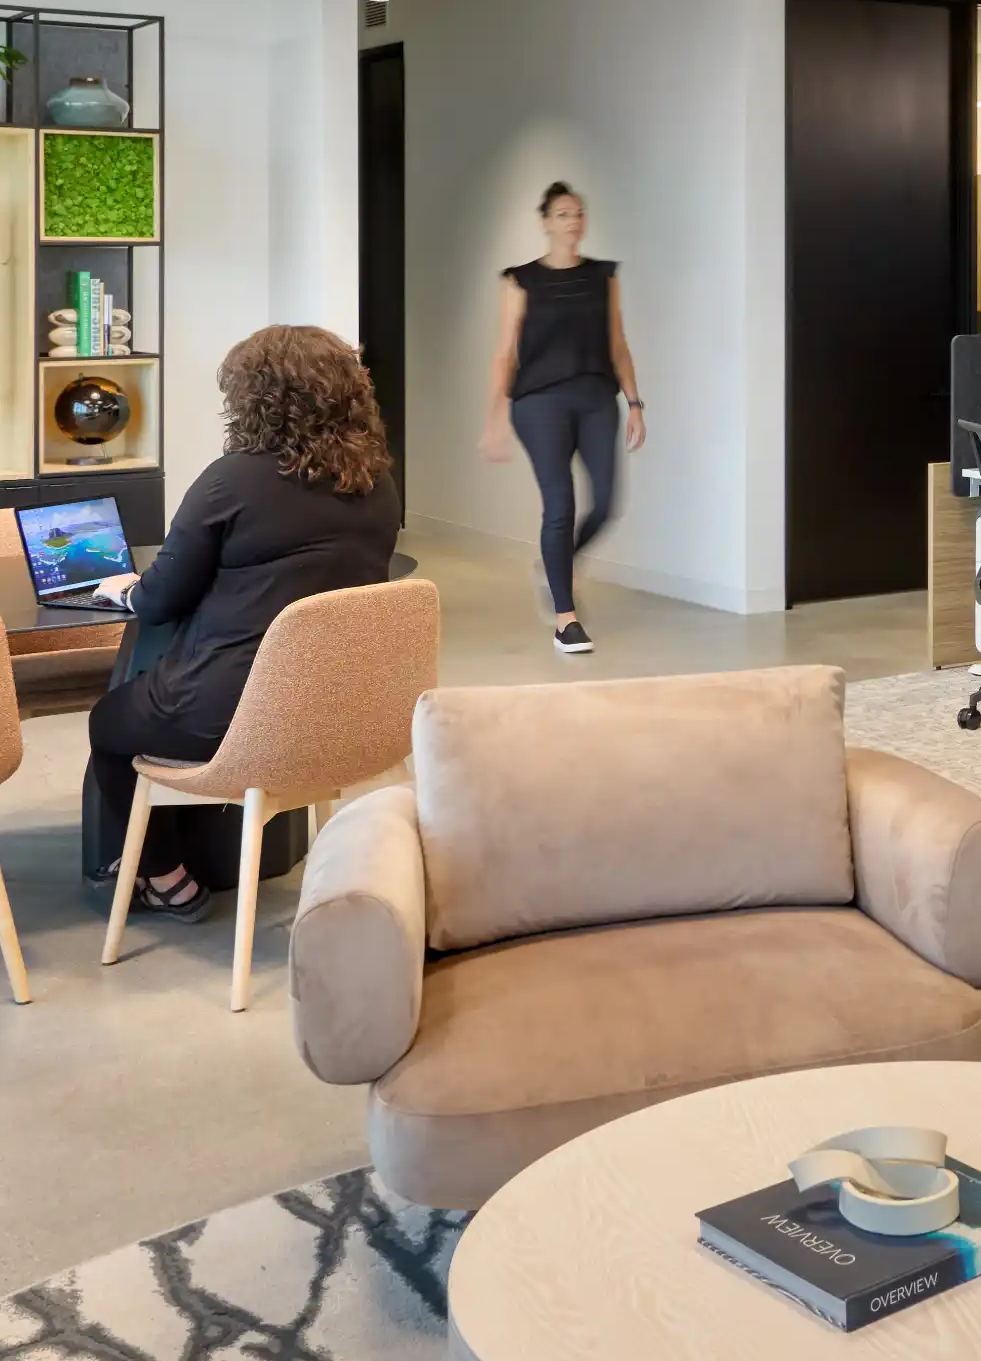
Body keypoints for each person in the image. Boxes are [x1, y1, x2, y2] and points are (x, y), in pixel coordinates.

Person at [91, 326, 403, 917]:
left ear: (253, 397)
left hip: (229, 716)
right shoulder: (378, 482)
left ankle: (164, 876)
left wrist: (127, 592)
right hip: (337, 711)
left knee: (110, 720)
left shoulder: (231, 481)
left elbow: (161, 600)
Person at [479, 181, 642, 658]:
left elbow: (617, 342)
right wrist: (493, 418)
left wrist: (635, 403)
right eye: (563, 214)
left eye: (578, 213)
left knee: (608, 501)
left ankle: (555, 567)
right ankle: (565, 620)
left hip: (596, 398)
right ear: (546, 222)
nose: (572, 221)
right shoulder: (521, 280)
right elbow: (505, 352)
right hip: (538, 403)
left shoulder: (603, 276)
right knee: (560, 503)